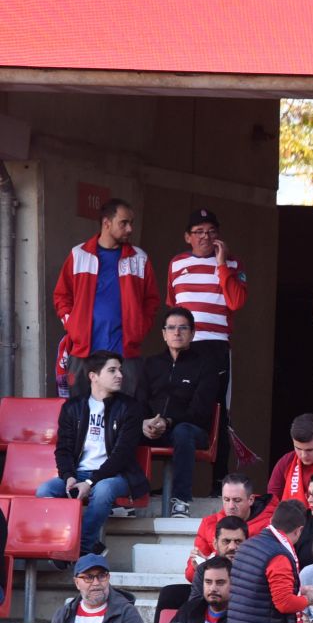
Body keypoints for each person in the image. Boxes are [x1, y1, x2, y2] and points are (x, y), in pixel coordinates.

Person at [39, 353, 149, 554]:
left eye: (120, 370)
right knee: (45, 491)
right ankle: (69, 542)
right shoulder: (72, 407)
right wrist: (69, 476)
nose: (120, 375)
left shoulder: (129, 408)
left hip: (116, 475)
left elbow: (121, 455)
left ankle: (78, 548)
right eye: (112, 370)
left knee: (103, 490)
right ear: (93, 376)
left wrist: (90, 483)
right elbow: (63, 449)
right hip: (78, 473)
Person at [52, 198, 157, 398]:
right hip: (84, 352)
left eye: (131, 223)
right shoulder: (79, 254)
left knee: (124, 415)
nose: (129, 229)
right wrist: (71, 324)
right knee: (80, 414)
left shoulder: (139, 258)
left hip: (126, 353)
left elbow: (151, 300)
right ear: (106, 223)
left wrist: (140, 327)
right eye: (124, 223)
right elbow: (61, 295)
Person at [140, 307, 226, 515]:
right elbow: (139, 402)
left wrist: (168, 421)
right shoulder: (151, 364)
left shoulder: (206, 365)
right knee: (126, 429)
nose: (176, 333)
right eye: (171, 328)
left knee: (183, 431)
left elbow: (201, 410)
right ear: (163, 334)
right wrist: (144, 423)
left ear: (192, 333)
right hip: (154, 430)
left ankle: (181, 501)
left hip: (192, 432)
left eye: (182, 328)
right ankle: (130, 496)